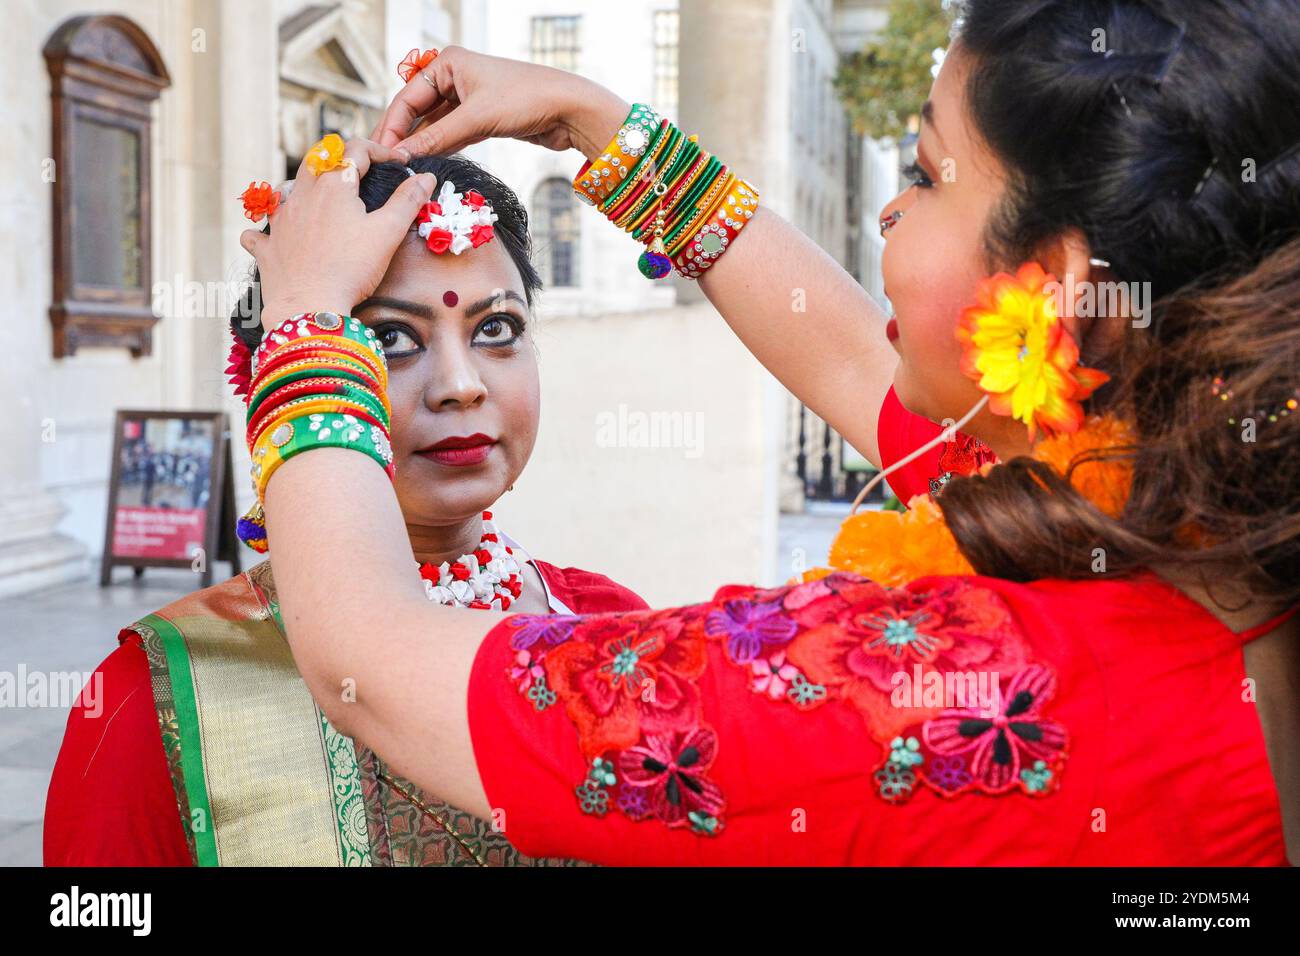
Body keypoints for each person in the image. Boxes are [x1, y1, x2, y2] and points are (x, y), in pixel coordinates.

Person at [243, 0, 1300, 864]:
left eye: (926, 176)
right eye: (399, 338)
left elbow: (373, 664)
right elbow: (845, 351)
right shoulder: (1164, 510)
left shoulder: (933, 688)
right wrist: (591, 123)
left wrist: (306, 321)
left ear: (1059, 286)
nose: (889, 211)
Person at [44, 154, 647, 867]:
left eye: (496, 329)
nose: (461, 385)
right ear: (285, 372)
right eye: (390, 339)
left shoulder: (614, 629)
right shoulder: (160, 695)